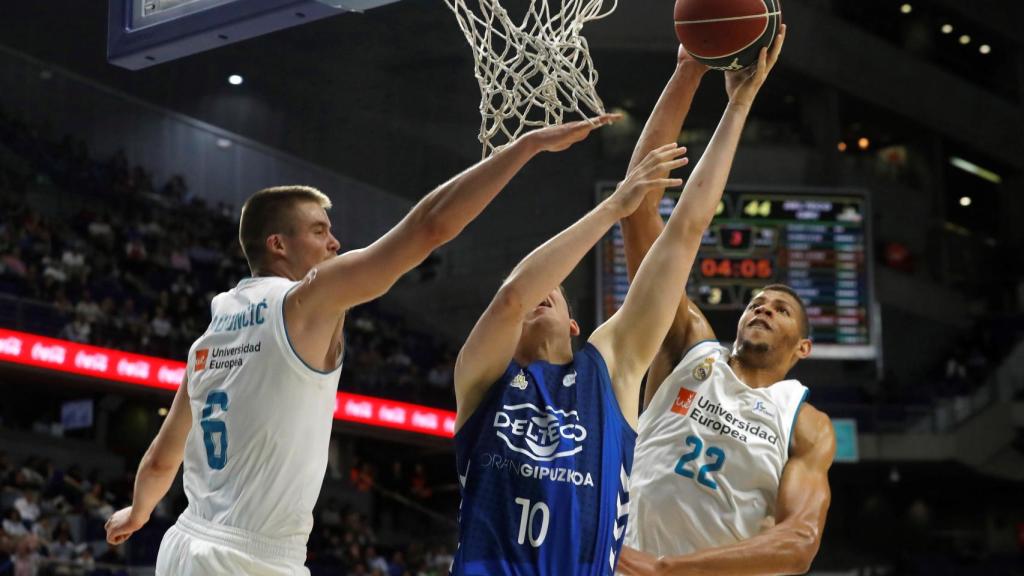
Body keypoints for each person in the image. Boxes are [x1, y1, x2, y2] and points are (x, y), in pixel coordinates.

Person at [103, 114, 619, 576]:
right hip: (251, 559)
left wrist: (138, 512)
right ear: (278, 245)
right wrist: (523, 148)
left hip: (184, 544)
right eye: (320, 230)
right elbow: (430, 227)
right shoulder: (305, 302)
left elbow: (160, 461)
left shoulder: (209, 338)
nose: (334, 243)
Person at [449, 42, 781, 569]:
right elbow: (513, 293)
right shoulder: (481, 378)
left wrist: (728, 99)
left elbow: (684, 232)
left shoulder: (610, 371)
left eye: (552, 293)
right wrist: (613, 206)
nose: (539, 296)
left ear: (576, 325)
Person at [614, 27, 837, 576]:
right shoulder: (689, 345)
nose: (763, 308)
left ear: (802, 346)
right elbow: (640, 206)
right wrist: (689, 71)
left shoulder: (805, 424)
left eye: (781, 309)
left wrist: (669, 569)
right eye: (758, 302)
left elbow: (800, 541)